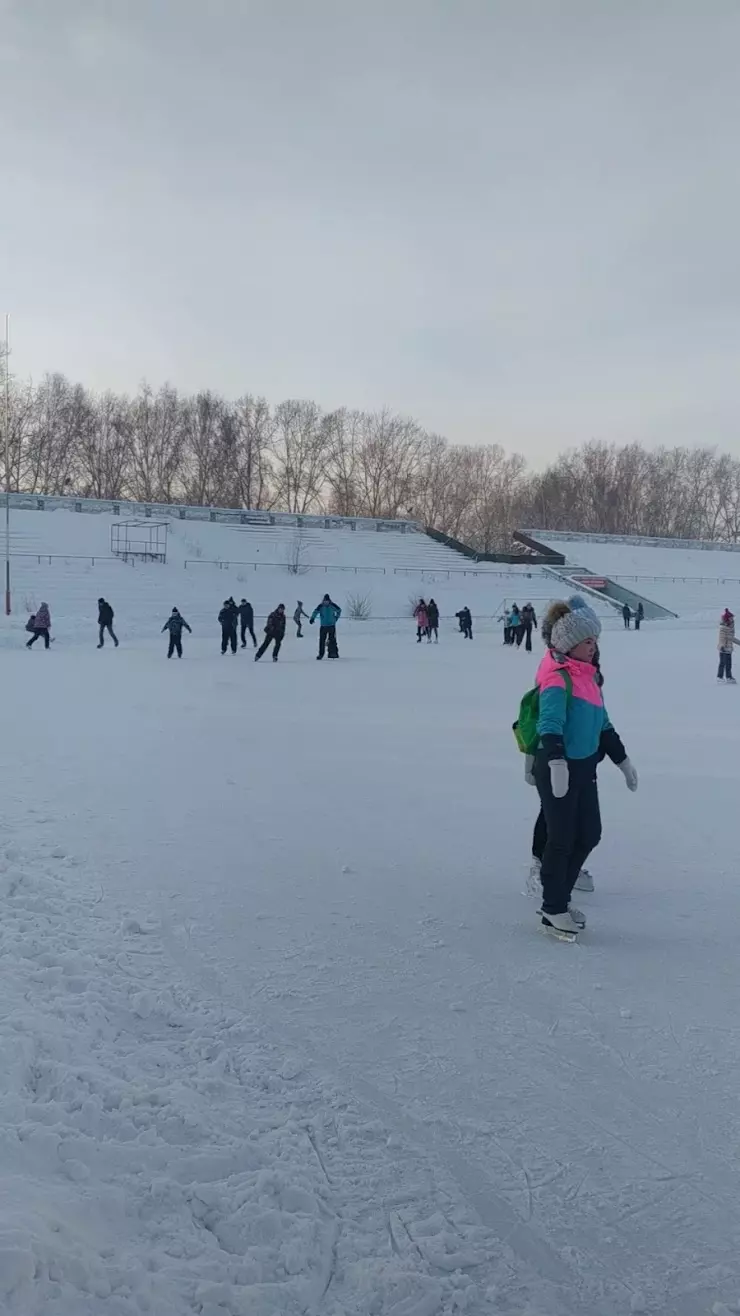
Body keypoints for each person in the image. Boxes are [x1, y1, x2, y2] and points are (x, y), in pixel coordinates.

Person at [530, 599, 637, 937]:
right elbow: (549, 724)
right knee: (560, 840)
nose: (594, 647)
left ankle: (560, 893)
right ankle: (553, 908)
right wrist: (557, 761)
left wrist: (623, 760)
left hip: (584, 769)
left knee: (590, 833)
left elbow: (603, 725)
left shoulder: (590, 679)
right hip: (558, 768)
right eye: (588, 641)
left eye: (595, 641)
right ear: (569, 644)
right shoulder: (559, 680)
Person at [528, 596, 603, 896]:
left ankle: (561, 866)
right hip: (556, 746)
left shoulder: (580, 654)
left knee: (569, 815)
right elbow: (547, 714)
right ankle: (543, 865)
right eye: (589, 640)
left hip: (577, 744)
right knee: (554, 810)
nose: (595, 647)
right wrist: (552, 756)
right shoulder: (555, 665)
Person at [310, 594, 342, 659]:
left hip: (331, 625)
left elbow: (339, 610)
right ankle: (321, 654)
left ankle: (332, 653)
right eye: (325, 601)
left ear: (329, 601)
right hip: (323, 626)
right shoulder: (320, 606)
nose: (326, 602)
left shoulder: (332, 605)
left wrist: (336, 618)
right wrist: (312, 618)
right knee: (322, 640)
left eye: (327, 601)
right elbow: (315, 612)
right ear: (323, 601)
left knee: (332, 640)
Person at [717, 608, 740, 683]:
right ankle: (719, 677)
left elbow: (731, 638)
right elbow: (722, 638)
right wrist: (722, 646)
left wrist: (738, 642)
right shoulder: (724, 628)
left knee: (729, 664)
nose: (732, 619)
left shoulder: (730, 627)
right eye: (731, 618)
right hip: (723, 649)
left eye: (732, 618)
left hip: (729, 649)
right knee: (722, 663)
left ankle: (729, 677)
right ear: (727, 619)